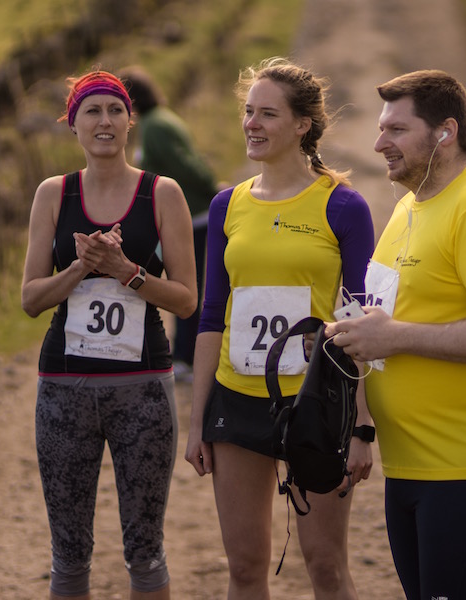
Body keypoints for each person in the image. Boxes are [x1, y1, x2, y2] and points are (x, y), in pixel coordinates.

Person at [329, 70, 466, 600]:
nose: (379, 144)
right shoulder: (406, 208)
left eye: (396, 130)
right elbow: (385, 322)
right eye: (381, 130)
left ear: (445, 132)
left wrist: (396, 337)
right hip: (411, 464)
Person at [184, 57, 376, 599]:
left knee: (325, 565)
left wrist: (361, 426)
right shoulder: (228, 205)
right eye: (248, 112)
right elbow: (210, 318)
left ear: (301, 125)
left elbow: (360, 319)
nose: (252, 124)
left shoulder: (343, 205)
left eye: (268, 114)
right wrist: (196, 422)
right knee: (244, 567)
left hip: (315, 403)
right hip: (237, 401)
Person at [21, 69, 197, 600]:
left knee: (145, 551)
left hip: (142, 387)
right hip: (64, 387)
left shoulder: (161, 193)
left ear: (130, 121)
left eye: (115, 111)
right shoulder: (53, 193)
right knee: (68, 555)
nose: (105, 121)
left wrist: (128, 271)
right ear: (73, 125)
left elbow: (188, 299)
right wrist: (80, 268)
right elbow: (30, 299)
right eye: (92, 112)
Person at [117, 66, 222, 379]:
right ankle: (176, 354)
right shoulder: (155, 122)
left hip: (193, 216)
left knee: (186, 288)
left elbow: (186, 166)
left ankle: (185, 358)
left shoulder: (156, 126)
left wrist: (211, 188)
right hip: (182, 216)